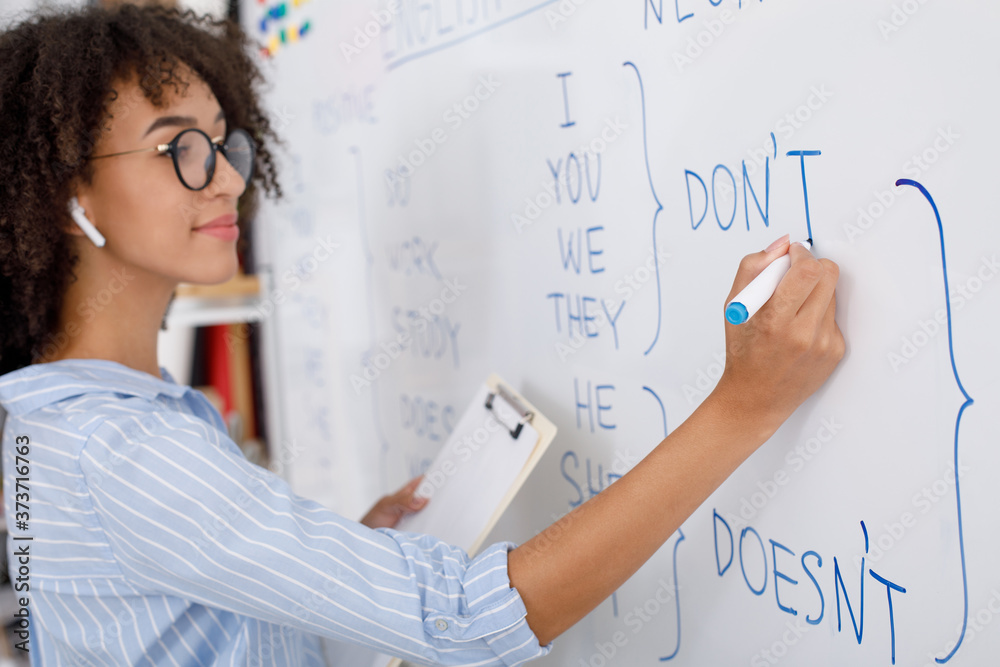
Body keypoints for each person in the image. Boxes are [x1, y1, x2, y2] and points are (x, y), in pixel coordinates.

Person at [0, 4, 845, 666]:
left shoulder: (63, 423)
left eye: (224, 143)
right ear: (65, 191)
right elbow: (473, 618)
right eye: (179, 148)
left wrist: (333, 564)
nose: (226, 179)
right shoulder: (126, 450)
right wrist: (743, 407)